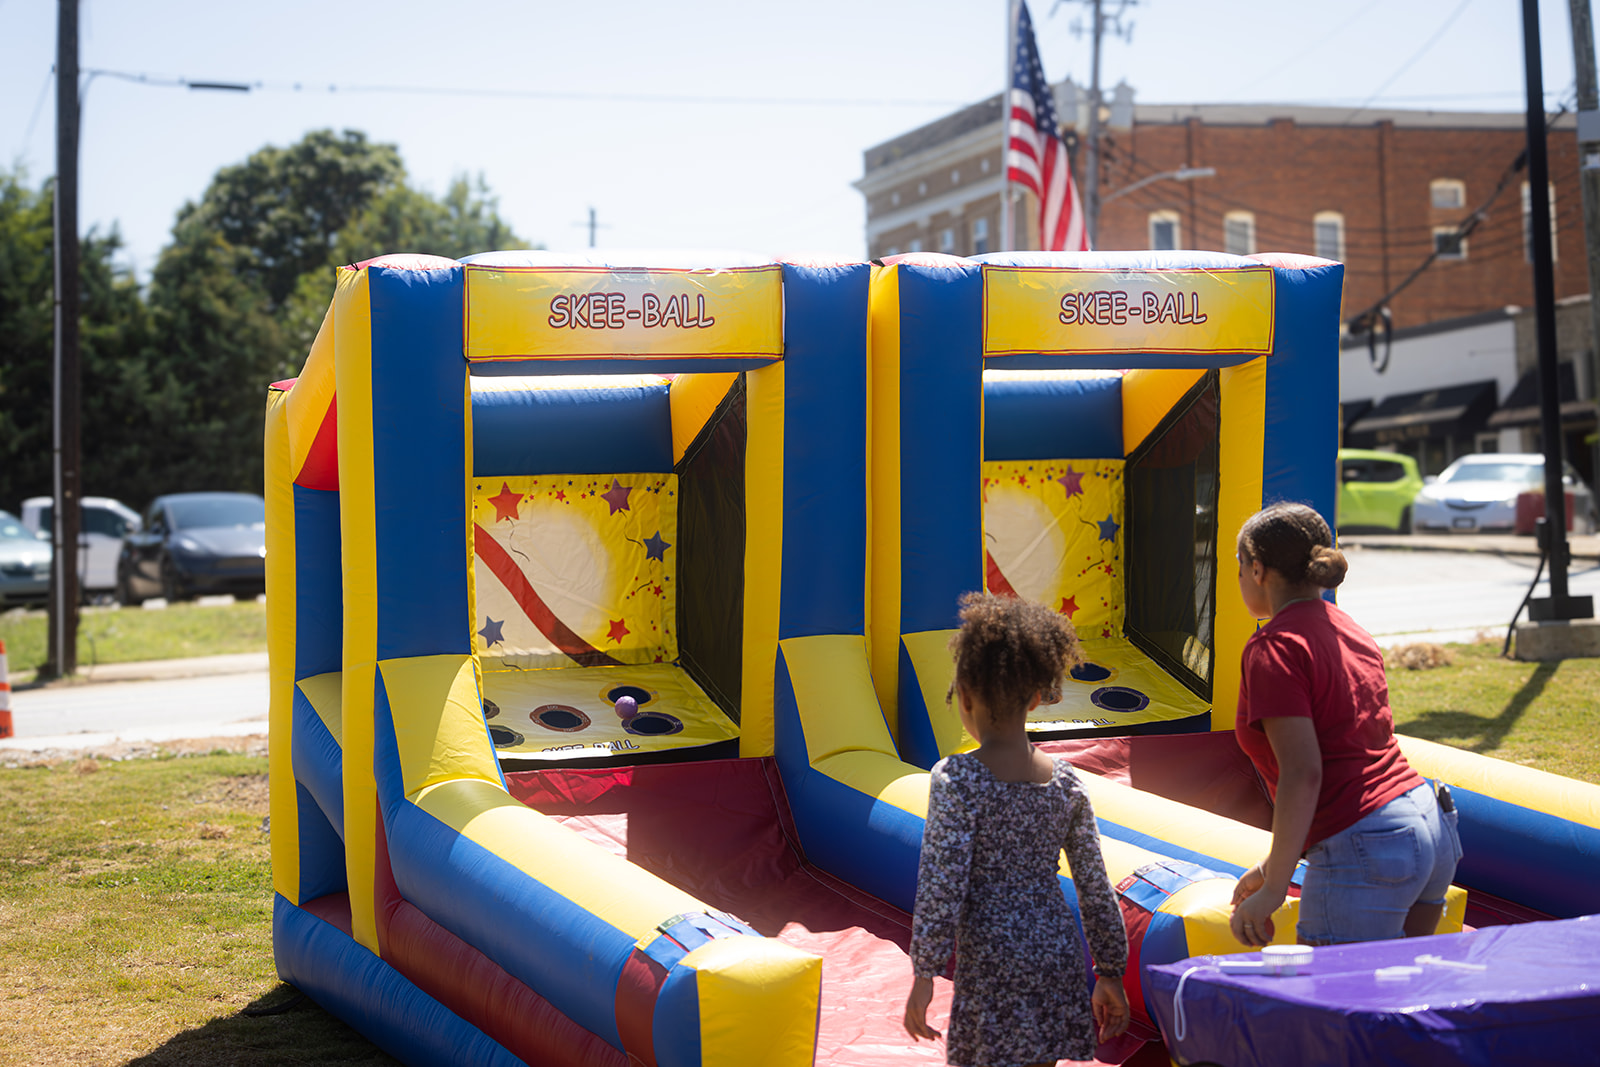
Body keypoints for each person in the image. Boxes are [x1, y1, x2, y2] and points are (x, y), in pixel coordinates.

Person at [903, 592, 1130, 1066]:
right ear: (1034, 696)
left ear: (963, 696)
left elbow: (942, 885)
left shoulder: (958, 779)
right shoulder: (1066, 783)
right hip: (1055, 953)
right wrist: (1109, 971)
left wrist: (924, 971)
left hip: (992, 961)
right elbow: (1094, 886)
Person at [1229, 502, 1462, 947]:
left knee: (1336, 1012)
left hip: (1370, 846)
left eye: (1239, 567)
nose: (1240, 579)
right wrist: (1272, 866)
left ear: (1257, 570)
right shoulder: (1348, 627)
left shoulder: (1274, 647)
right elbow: (1350, 752)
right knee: (1393, 996)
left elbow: (1304, 772)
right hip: (1428, 826)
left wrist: (1276, 890)